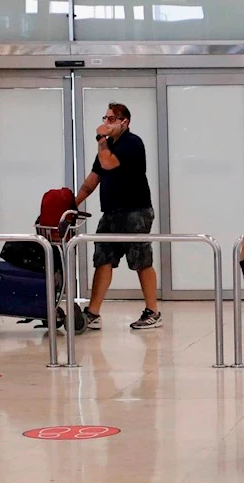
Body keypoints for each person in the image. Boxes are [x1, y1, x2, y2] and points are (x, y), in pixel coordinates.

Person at [74, 102, 160, 330]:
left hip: (135, 211)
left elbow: (108, 163)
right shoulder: (108, 145)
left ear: (125, 122)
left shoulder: (132, 143)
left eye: (112, 119)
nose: (106, 122)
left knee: (141, 260)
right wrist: (72, 205)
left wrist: (101, 140)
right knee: (103, 259)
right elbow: (92, 180)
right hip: (111, 212)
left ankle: (153, 311)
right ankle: (93, 313)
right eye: (105, 117)